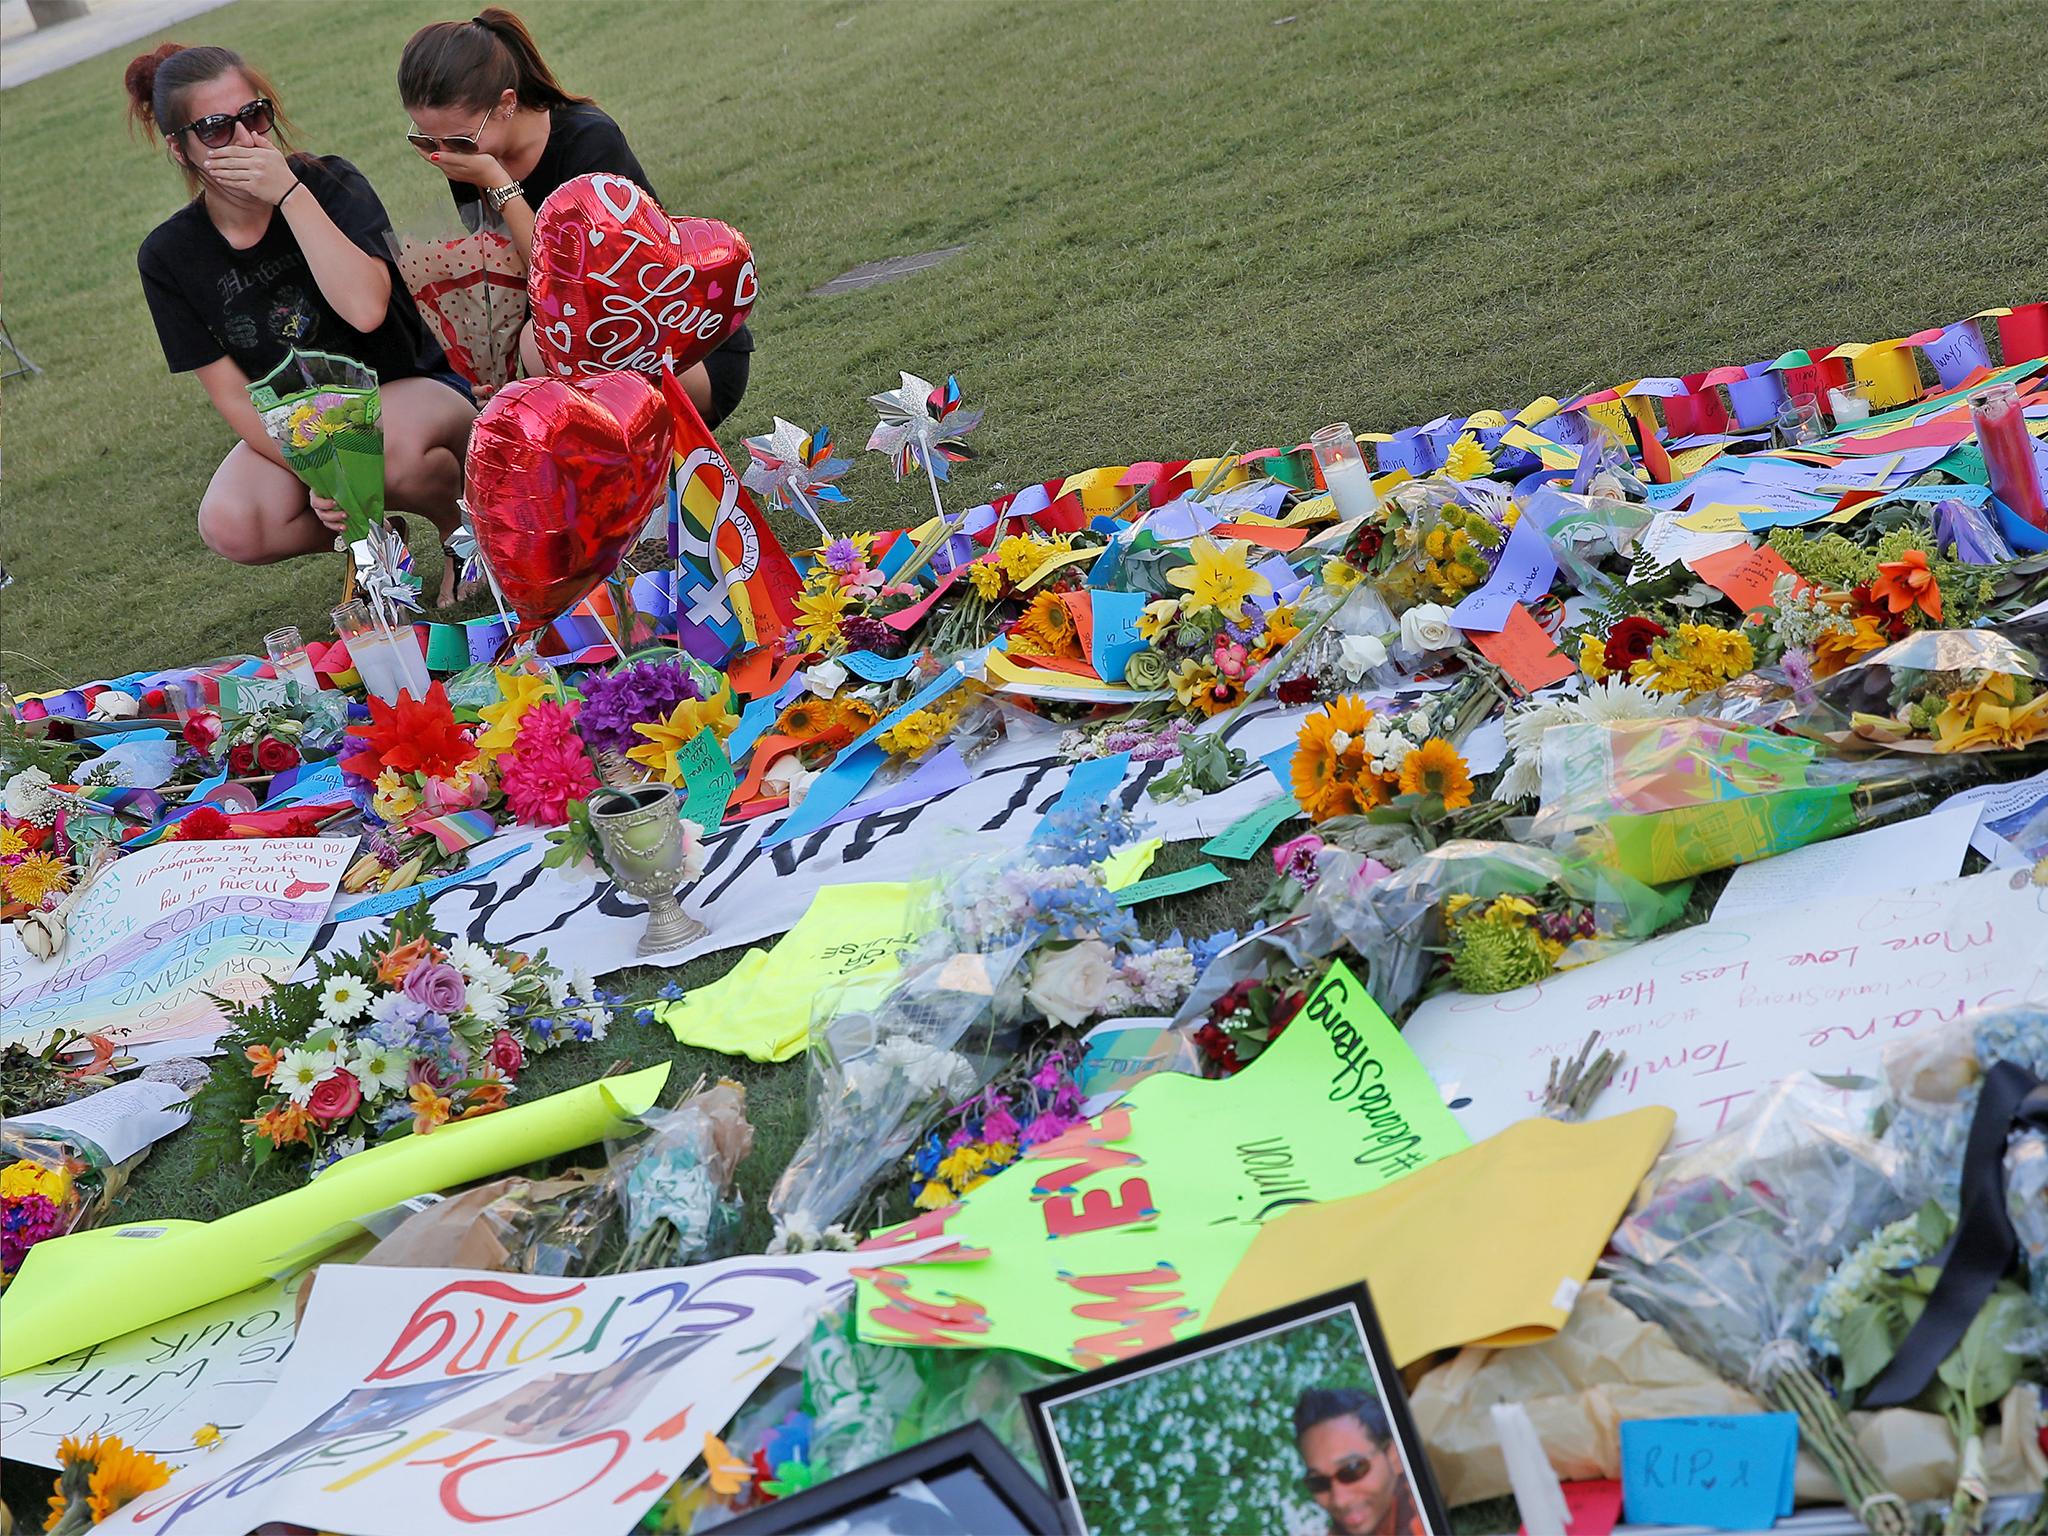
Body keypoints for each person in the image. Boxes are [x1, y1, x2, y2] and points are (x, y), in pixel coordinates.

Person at [127, 43, 477, 606]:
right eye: (216, 129)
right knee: (232, 522)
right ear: (180, 148)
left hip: (413, 390)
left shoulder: (328, 182)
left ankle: (461, 532)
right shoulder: (169, 256)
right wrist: (320, 472)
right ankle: (377, 541)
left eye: (255, 116)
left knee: (383, 452)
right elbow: (234, 397)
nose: (246, 140)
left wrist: (289, 195)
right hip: (302, 422)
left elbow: (365, 309)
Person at [397, 8, 753, 425]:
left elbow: (573, 293)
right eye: (425, 138)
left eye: (457, 139)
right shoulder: (471, 156)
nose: (444, 153)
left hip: (682, 350)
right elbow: (509, 282)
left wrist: (500, 185)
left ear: (506, 104)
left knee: (540, 343)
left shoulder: (588, 140)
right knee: (525, 356)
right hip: (579, 353)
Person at [1294, 1387, 1425, 1536]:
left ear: (1395, 1456)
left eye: (1352, 1470)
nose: (1340, 1501)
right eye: (1318, 1482)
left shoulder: (1423, 1513)